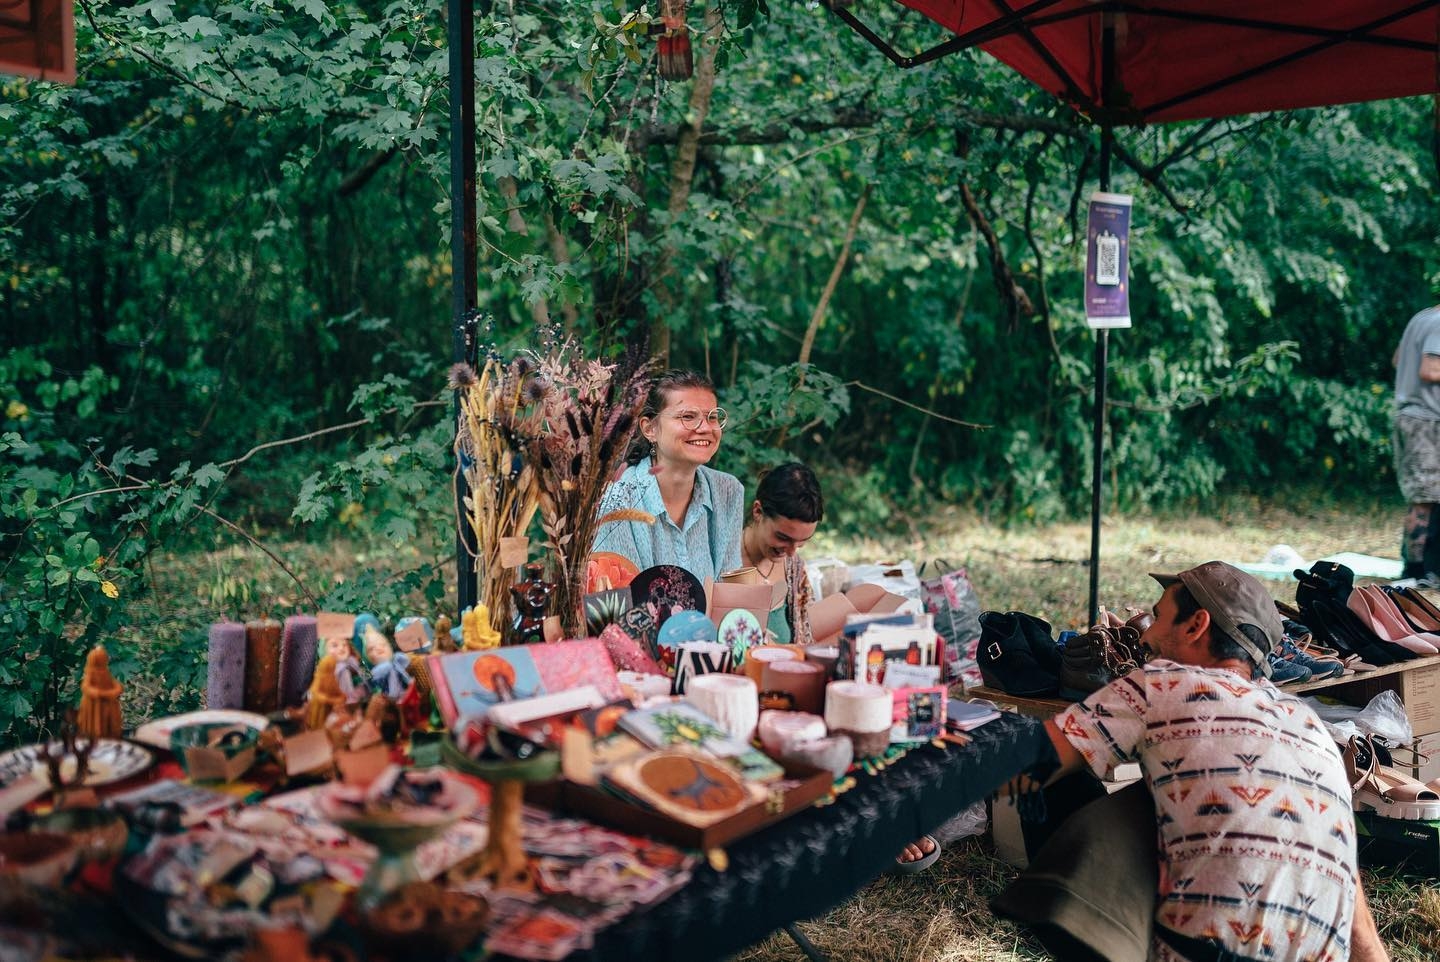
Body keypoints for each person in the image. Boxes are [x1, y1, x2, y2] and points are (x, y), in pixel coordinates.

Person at [999, 561, 1387, 962]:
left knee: (1058, 784)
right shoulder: (1309, 725)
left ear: (1195, 626)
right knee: (1177, 792)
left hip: (1209, 954)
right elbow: (1341, 866)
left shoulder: (1160, 684)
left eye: (1158, 616)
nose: (1145, 633)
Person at [592, 369, 743, 583]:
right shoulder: (617, 500)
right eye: (688, 417)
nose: (706, 428)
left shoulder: (728, 490)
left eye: (713, 417)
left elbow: (731, 590)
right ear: (650, 428)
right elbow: (616, 604)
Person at [741, 462, 823, 646]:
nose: (792, 552)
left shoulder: (794, 570)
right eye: (782, 537)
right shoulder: (720, 561)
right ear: (758, 511)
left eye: (803, 541)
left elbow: (805, 640)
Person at [1393, 303, 1440, 582]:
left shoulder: (1422, 316)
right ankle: (1417, 571)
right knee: (1424, 497)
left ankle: (1427, 567)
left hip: (1414, 417)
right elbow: (1430, 369)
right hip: (1425, 420)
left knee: (1430, 495)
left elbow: (1398, 359)